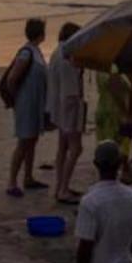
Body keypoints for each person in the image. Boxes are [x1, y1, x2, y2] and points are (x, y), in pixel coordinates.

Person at [2, 19, 49, 195]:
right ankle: (12, 182)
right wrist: (16, 100)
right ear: (40, 33)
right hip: (26, 103)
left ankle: (28, 177)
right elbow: (11, 79)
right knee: (23, 142)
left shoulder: (35, 51)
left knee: (32, 140)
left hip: (35, 103)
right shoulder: (27, 52)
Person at [46, 22, 87, 205]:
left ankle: (59, 186)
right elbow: (71, 90)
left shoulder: (56, 53)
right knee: (76, 148)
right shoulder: (67, 57)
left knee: (62, 147)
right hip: (68, 104)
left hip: (58, 106)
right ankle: (63, 188)